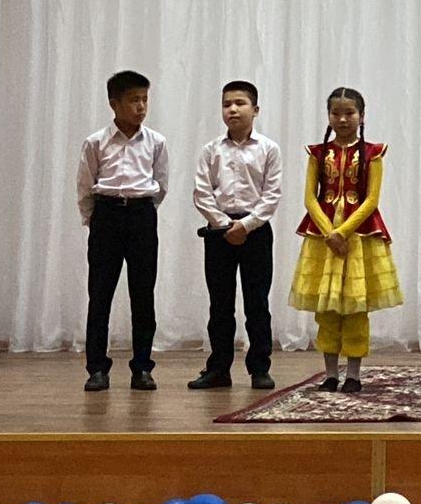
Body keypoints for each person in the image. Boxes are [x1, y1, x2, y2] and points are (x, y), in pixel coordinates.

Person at [288, 88, 403, 393]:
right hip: (322, 237)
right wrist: (330, 233)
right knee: (326, 309)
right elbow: (310, 198)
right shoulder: (317, 153)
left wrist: (344, 232)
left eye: (349, 113)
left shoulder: (373, 153)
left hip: (359, 237)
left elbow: (372, 199)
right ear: (328, 116)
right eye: (335, 113)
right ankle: (330, 374)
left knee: (354, 307)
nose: (342, 119)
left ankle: (353, 375)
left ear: (362, 116)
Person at [75, 70, 169, 392]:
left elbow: (161, 185)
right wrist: (95, 221)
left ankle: (142, 368)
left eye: (144, 100)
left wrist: (142, 212)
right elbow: (85, 187)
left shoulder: (156, 142)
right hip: (107, 217)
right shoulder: (96, 142)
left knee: (143, 296)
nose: (141, 107)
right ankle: (97, 369)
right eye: (133, 100)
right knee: (100, 295)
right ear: (114, 104)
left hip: (142, 217)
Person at [189, 80, 284, 391]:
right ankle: (218, 369)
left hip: (256, 232)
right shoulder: (211, 150)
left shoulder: (269, 149)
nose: (232, 109)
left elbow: (271, 195)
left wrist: (245, 225)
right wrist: (224, 224)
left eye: (240, 103)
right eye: (227, 104)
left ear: (255, 110)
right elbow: (202, 193)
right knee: (220, 304)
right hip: (219, 233)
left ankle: (260, 369)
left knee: (257, 303)